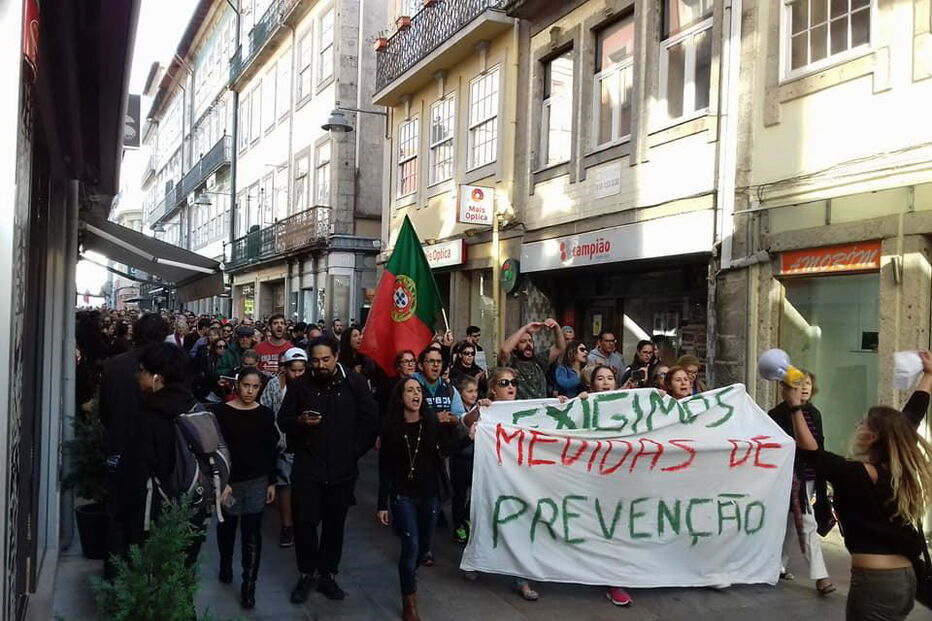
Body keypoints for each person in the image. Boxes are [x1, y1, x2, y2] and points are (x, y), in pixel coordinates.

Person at [787, 351, 932, 621]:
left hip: (875, 582)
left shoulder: (855, 474)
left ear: (873, 435)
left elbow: (813, 455)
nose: (858, 424)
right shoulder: (894, 467)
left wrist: (795, 408)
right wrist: (929, 376)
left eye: (864, 422)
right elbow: (911, 417)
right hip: (905, 579)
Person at [278, 335, 379, 604]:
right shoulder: (300, 386)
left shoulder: (354, 383)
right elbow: (284, 420)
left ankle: (327, 574)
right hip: (308, 466)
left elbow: (370, 420)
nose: (320, 365)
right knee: (305, 522)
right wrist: (300, 421)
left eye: (326, 359)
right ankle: (306, 573)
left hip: (343, 469)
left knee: (335, 524)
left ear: (336, 357)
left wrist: (354, 450)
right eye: (315, 360)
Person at [377, 378, 462, 621]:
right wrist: (383, 503)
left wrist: (471, 435)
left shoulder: (431, 423)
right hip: (403, 496)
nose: (416, 394)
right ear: (400, 396)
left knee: (424, 547)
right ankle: (409, 603)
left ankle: (408, 572)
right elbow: (385, 468)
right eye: (410, 390)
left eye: (418, 390)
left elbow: (447, 448)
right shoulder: (392, 428)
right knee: (410, 546)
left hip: (430, 495)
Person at [99, 313, 168, 578]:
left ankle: (116, 579)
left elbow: (104, 413)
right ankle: (145, 579)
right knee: (152, 519)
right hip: (152, 457)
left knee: (118, 517)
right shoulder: (167, 368)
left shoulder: (115, 365)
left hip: (118, 451)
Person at [134, 343, 212, 567]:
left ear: (158, 377)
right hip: (195, 507)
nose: (137, 376)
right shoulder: (194, 407)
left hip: (158, 510)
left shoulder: (151, 417)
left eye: (142, 370)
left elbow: (141, 469)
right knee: (185, 572)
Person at [212, 368, 279, 609]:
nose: (250, 391)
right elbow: (215, 449)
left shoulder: (265, 414)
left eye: (255, 387)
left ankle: (249, 585)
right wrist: (220, 481)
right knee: (227, 528)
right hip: (230, 483)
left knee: (252, 533)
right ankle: (226, 562)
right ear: (237, 385)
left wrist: (271, 480)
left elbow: (270, 449)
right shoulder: (221, 412)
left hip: (257, 481)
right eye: (246, 385)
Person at [768, 371, 835, 595]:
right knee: (806, 524)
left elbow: (819, 446)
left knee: (790, 524)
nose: (804, 388)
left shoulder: (815, 413)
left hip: (809, 477)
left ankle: (777, 565)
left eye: (807, 384)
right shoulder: (777, 414)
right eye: (799, 384)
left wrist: (822, 479)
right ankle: (821, 576)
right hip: (789, 477)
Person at [483, 367, 540, 601]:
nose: (510, 387)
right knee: (487, 520)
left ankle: (521, 580)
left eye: (514, 382)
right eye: (504, 383)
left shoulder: (526, 410)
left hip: (520, 479)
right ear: (493, 389)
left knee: (520, 527)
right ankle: (477, 562)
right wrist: (480, 411)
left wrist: (561, 405)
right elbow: (465, 425)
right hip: (493, 478)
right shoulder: (487, 409)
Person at [583, 365, 633, 607]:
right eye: (600, 379)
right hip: (593, 477)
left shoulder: (629, 404)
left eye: (610, 378)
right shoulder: (582, 405)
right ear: (592, 385)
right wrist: (568, 403)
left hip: (623, 477)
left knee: (618, 529)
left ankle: (615, 579)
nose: (605, 382)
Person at [259, 347, 308, 548]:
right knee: (284, 485)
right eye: (293, 370)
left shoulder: (310, 387)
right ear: (285, 369)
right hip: (282, 446)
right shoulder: (273, 386)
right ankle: (287, 525)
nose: (297, 374)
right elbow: (266, 411)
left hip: (305, 445)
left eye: (301, 370)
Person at [499, 318, 567, 400]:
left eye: (530, 341)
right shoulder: (511, 364)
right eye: (523, 341)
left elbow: (560, 348)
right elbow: (505, 350)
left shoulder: (539, 361)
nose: (528, 344)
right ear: (514, 347)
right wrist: (525, 328)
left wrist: (556, 327)